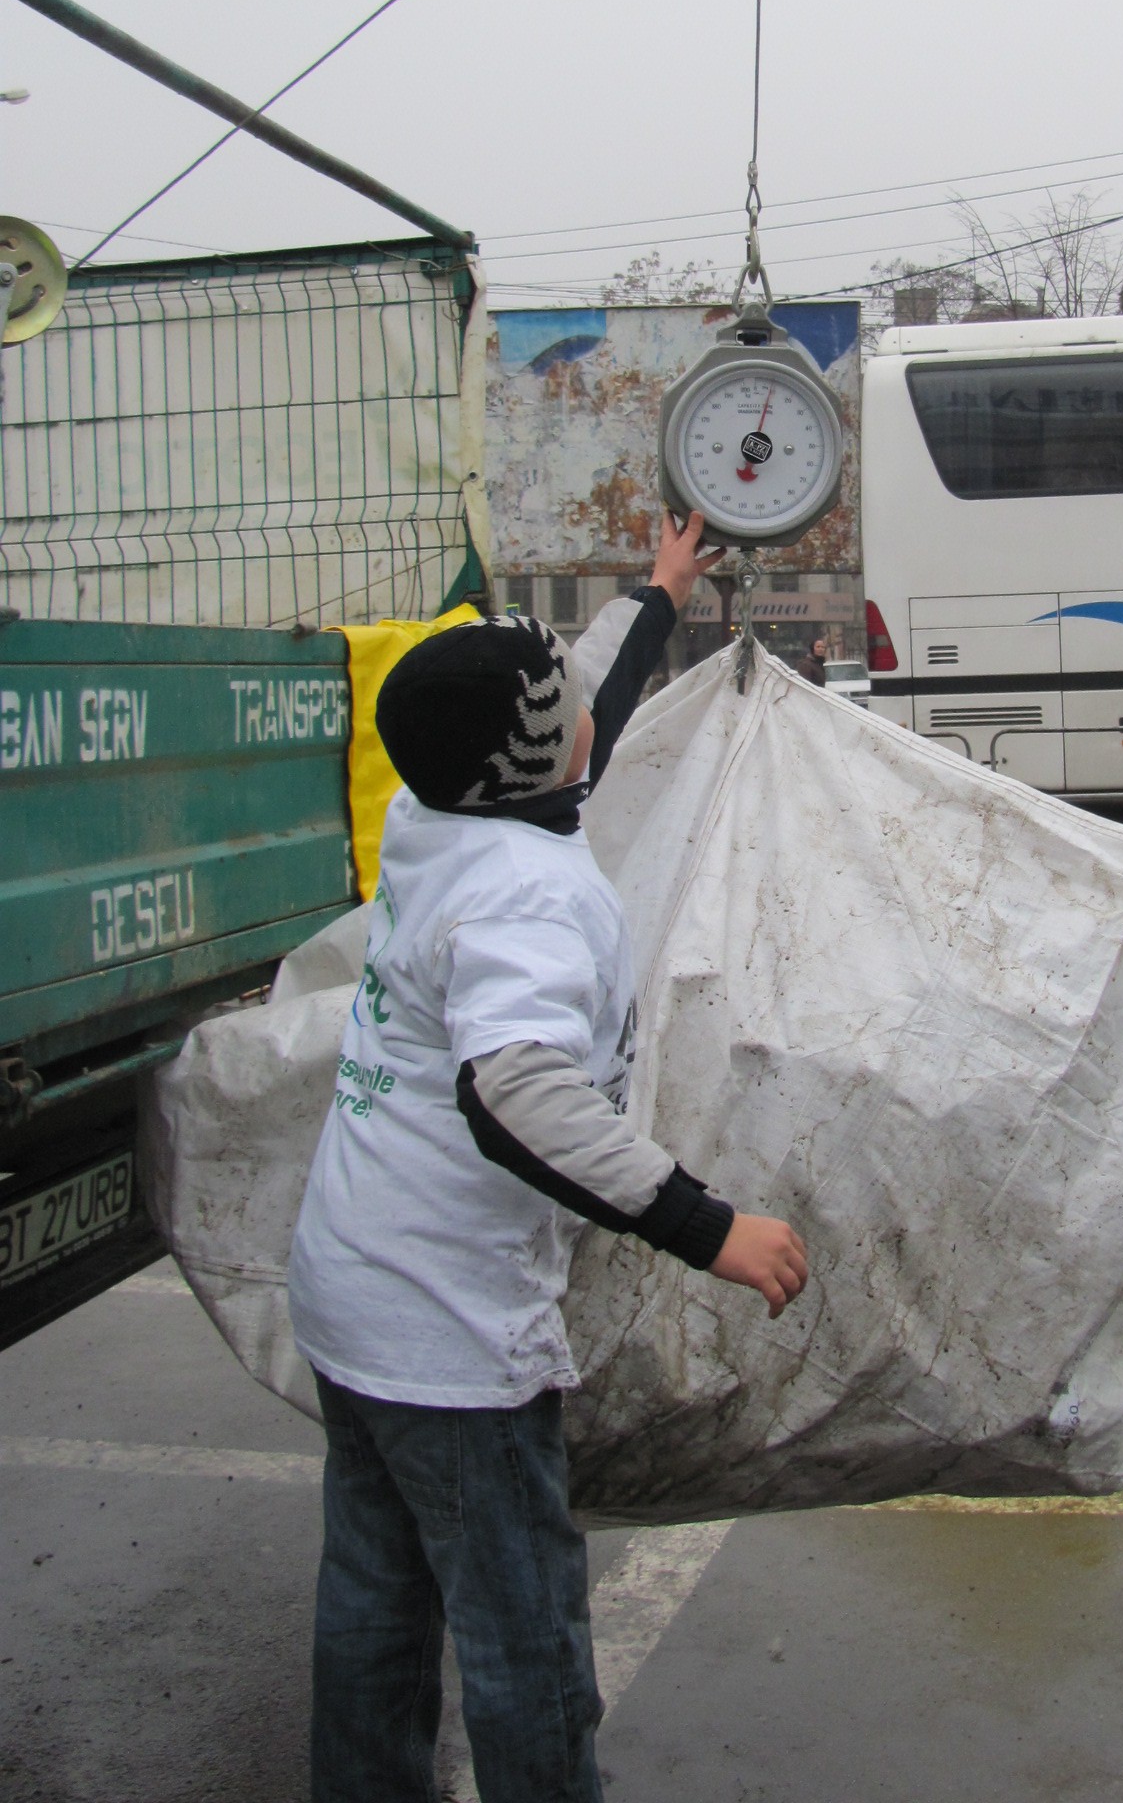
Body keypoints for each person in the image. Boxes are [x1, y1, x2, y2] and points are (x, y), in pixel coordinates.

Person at [287, 508, 809, 1803]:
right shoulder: (528, 895)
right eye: (564, 705)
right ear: (538, 756)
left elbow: (581, 714)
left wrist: (659, 590)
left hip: (352, 1285)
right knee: (524, 1636)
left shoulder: (437, 815)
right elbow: (514, 1092)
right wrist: (706, 1225)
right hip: (448, 1333)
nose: (588, 709)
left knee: (375, 1599)